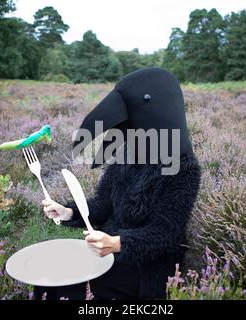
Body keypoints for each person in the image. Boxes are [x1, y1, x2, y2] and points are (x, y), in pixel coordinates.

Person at [34, 68, 201, 300]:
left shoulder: (184, 168)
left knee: (68, 289)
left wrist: (117, 243)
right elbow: (102, 205)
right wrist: (68, 211)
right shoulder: (126, 156)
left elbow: (166, 234)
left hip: (144, 270)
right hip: (105, 253)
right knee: (48, 277)